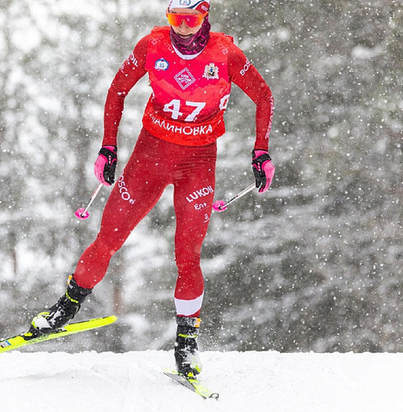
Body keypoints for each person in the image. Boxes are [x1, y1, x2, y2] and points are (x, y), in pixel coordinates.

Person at [24, 0, 275, 378]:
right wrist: (108, 146)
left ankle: (187, 344)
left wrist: (261, 151)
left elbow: (264, 95)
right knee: (109, 236)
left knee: (187, 254)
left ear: (205, 17)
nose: (184, 28)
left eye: (191, 20)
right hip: (150, 157)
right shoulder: (152, 46)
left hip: (198, 163)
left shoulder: (226, 53)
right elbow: (117, 90)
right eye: (176, 19)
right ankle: (65, 308)